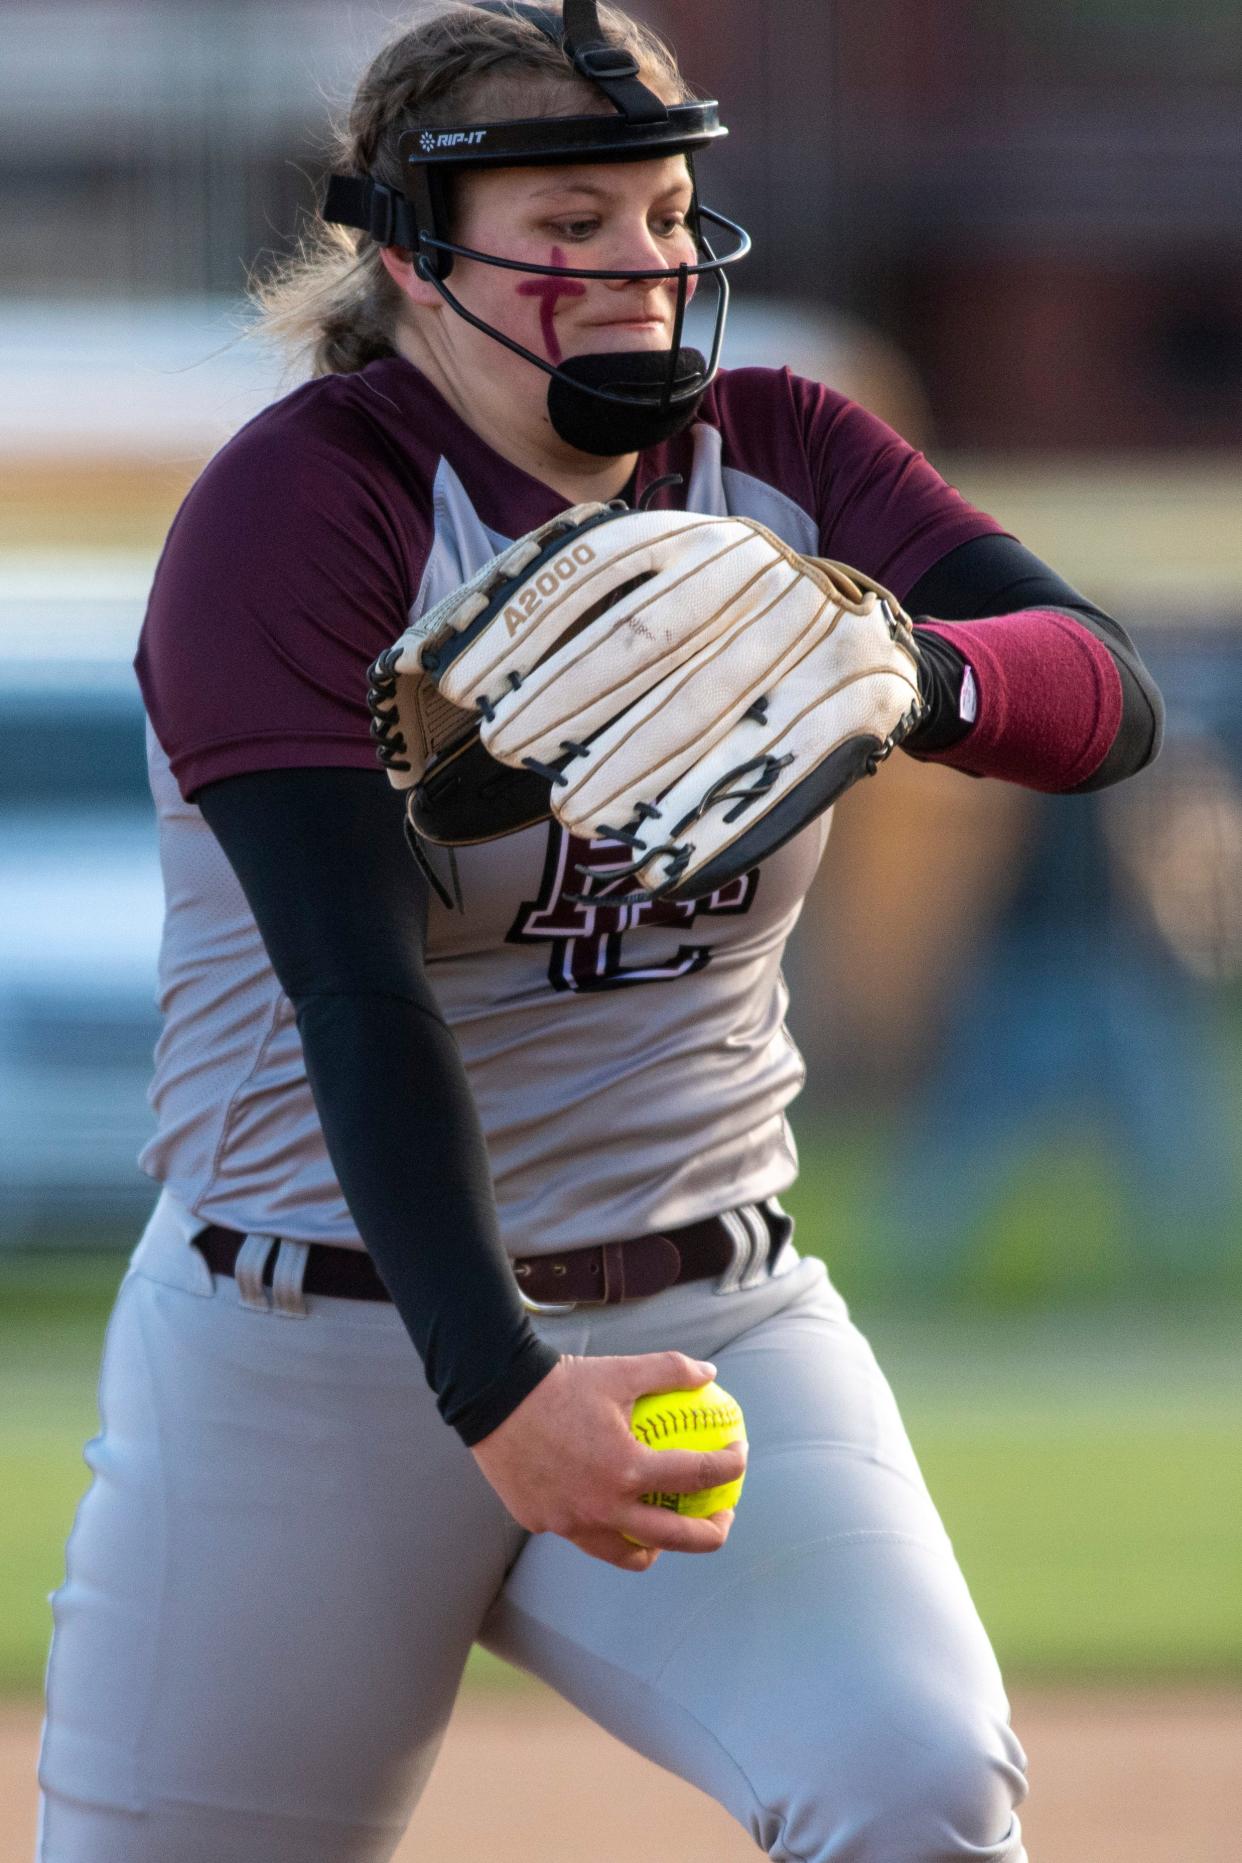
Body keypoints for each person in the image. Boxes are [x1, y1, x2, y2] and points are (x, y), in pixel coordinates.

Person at [36, 3, 1163, 1859]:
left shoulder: (776, 448)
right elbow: (351, 985)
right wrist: (495, 1385)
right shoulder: (302, 506)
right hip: (316, 1330)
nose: (638, 267)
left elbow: (1101, 699)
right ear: (409, 248)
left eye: (657, 214)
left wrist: (902, 666)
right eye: (568, 226)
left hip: (706, 1304)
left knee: (913, 1785)